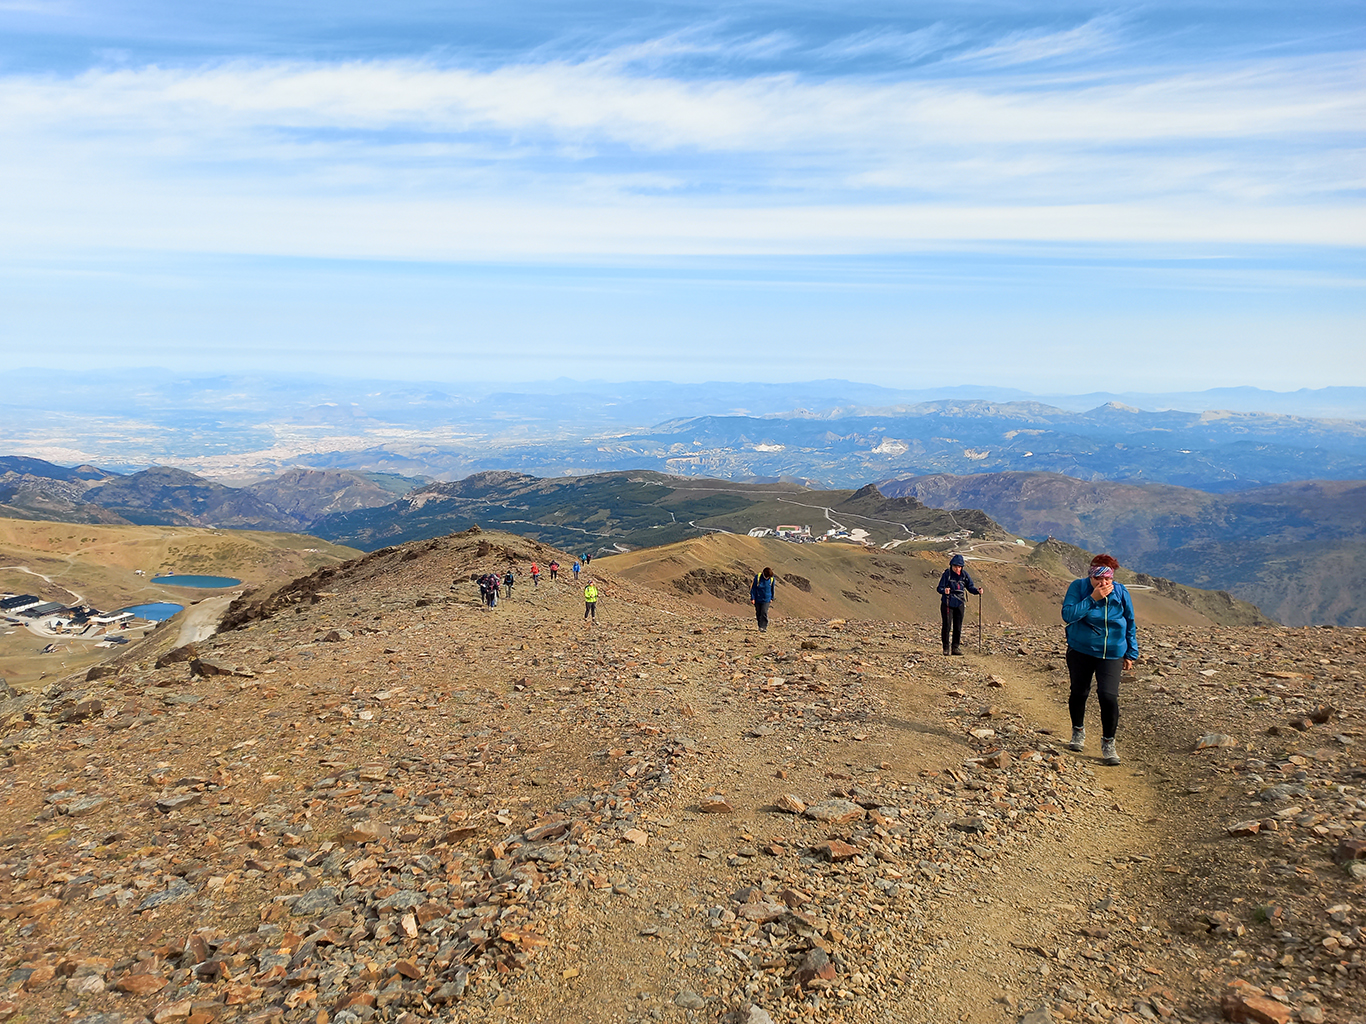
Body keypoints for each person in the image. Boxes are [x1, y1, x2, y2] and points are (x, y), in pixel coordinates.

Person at [1061, 554, 1138, 766]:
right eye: (1099, 579)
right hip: (1081, 650)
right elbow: (1068, 615)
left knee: (1108, 696)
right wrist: (1092, 598)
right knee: (1079, 692)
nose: (1103, 583)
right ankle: (1078, 732)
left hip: (1112, 652)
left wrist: (1131, 653)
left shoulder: (1121, 592)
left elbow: (1130, 621)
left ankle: (1108, 743)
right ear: (1091, 576)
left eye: (1108, 580)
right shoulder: (1078, 587)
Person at [936, 554, 982, 656]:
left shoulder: (964, 575)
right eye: (956, 566)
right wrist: (945, 590)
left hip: (960, 603)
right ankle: (946, 648)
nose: (957, 569)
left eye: (959, 567)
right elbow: (939, 588)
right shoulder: (947, 574)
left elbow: (970, 587)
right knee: (947, 626)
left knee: (958, 626)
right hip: (947, 602)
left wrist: (977, 591)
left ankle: (955, 647)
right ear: (951, 566)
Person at [750, 567, 776, 632]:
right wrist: (753, 598)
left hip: (767, 599)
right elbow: (753, 588)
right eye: (767, 577)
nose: (768, 578)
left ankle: (763, 627)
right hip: (758, 598)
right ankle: (760, 625)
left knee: (764, 612)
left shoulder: (772, 579)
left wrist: (772, 598)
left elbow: (772, 589)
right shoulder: (758, 577)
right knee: (758, 612)